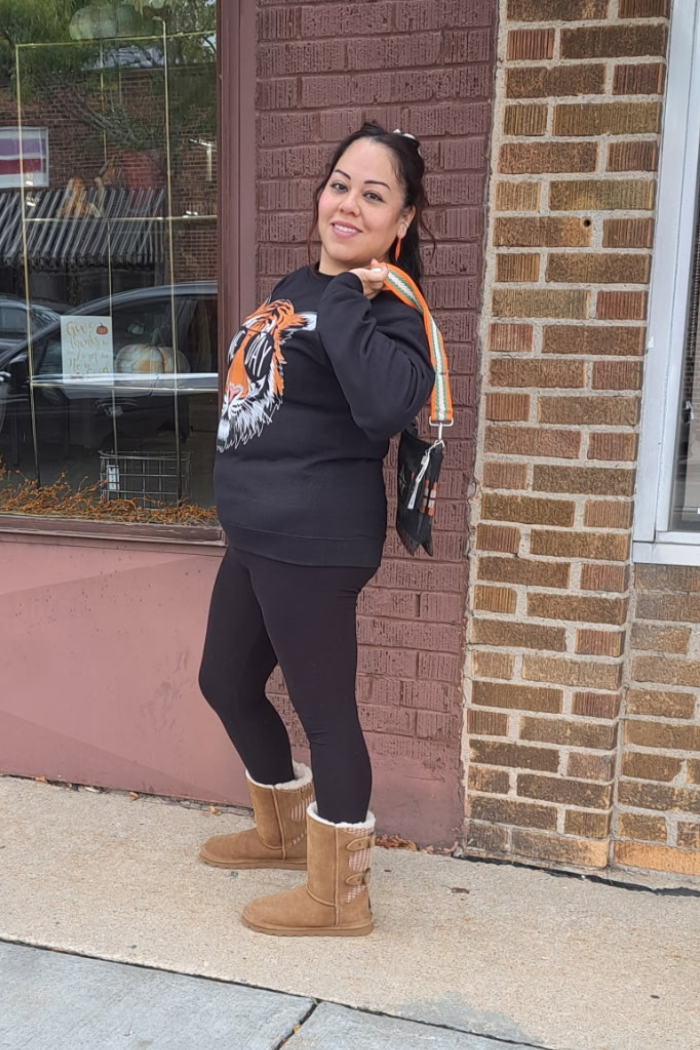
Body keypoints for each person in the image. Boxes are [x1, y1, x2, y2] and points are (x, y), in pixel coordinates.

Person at [197, 122, 435, 937]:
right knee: (225, 682)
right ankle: (282, 833)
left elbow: (384, 406)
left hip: (313, 542)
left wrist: (346, 300)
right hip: (256, 536)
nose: (348, 204)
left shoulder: (391, 308)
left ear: (402, 220)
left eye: (374, 194)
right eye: (340, 184)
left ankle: (339, 897)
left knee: (326, 714)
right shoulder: (300, 280)